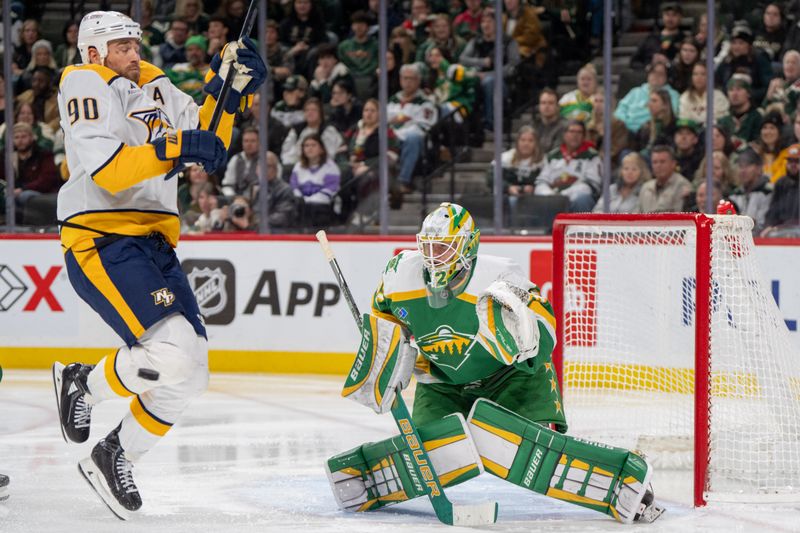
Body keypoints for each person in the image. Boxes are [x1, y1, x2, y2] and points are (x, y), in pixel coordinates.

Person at [325, 202, 664, 524]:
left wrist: (522, 334)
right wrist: (387, 362)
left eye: (443, 247)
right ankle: (365, 481)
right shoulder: (400, 275)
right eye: (427, 246)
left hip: (509, 379)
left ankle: (625, 483)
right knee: (437, 451)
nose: (432, 257)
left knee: (528, 447)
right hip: (442, 383)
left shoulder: (499, 275)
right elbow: (386, 325)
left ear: (467, 247)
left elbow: (545, 330)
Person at [51, 11, 265, 519]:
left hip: (152, 241)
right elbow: (109, 168)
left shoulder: (158, 87)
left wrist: (230, 89)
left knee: (190, 373)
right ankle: (83, 383)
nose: (133, 53)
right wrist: (174, 146)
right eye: (121, 46)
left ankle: (115, 453)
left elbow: (209, 138)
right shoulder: (83, 81)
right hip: (100, 237)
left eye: (135, 44)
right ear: (94, 52)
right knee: (169, 353)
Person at [387, 63, 438, 193]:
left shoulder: (425, 103)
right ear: (400, 80)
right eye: (405, 78)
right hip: (392, 138)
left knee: (413, 137)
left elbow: (424, 127)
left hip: (414, 142)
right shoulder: (392, 101)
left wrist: (399, 128)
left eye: (411, 78)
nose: (408, 82)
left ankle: (403, 181)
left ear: (418, 80)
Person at [535, 119, 602, 212]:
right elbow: (542, 181)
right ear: (564, 134)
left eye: (579, 132)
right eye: (572, 131)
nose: (575, 135)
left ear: (583, 136)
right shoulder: (552, 155)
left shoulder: (591, 156)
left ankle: (581, 226)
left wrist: (564, 195)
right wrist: (549, 195)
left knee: (582, 199)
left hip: (576, 198)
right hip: (552, 199)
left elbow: (592, 185)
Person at [0, 122, 61, 221]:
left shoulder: (44, 154)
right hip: (16, 193)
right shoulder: (7, 157)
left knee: (24, 196)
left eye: (24, 136)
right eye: (16, 137)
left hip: (42, 194)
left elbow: (47, 180)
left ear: (32, 137)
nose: (20, 140)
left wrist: (22, 189)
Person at [715, 23, 774, 106]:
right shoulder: (727, 62)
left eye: (741, 43)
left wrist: (747, 95)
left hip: (755, 104)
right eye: (734, 43)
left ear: (749, 45)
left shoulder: (760, 60)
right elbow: (716, 83)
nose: (736, 47)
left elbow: (768, 87)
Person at [290, 133, 340, 228]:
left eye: (313, 145)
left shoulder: (330, 167)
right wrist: (301, 199)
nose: (309, 148)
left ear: (321, 149)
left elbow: (330, 189)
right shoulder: (298, 166)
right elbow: (294, 186)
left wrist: (309, 200)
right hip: (302, 206)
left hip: (322, 207)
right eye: (306, 146)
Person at [614, 61, 680, 134]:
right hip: (626, 129)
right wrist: (624, 123)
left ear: (666, 78)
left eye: (660, 74)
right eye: (653, 72)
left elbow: (670, 115)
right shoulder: (635, 91)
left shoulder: (673, 95)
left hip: (652, 129)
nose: (656, 76)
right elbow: (620, 109)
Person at [487, 125, 543, 199]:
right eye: (523, 140)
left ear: (536, 143)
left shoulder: (542, 161)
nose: (526, 144)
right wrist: (508, 188)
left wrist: (532, 188)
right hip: (505, 197)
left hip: (533, 199)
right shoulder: (505, 158)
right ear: (517, 142)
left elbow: (545, 182)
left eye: (530, 140)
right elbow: (491, 178)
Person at [730, 148, 773, 234]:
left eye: (747, 166)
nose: (743, 170)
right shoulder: (734, 194)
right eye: (740, 166)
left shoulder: (768, 192)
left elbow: (763, 223)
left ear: (759, 169)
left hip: (761, 241)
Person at [637, 144, 692, 212]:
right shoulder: (645, 187)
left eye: (662, 162)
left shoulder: (682, 186)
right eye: (655, 162)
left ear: (673, 164)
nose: (658, 166)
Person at [630, 2, 685, 69]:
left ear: (680, 17)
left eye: (674, 15)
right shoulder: (650, 38)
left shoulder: (684, 40)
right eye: (667, 14)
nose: (670, 18)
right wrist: (648, 67)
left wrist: (668, 63)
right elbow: (634, 61)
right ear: (662, 16)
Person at [718, 73, 764, 148]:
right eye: (731, 90)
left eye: (739, 89)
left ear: (748, 93)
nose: (734, 94)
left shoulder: (757, 118)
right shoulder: (723, 120)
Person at [763, 143, 800, 233]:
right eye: (790, 161)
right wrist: (769, 225)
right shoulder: (781, 183)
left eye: (797, 161)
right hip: (782, 230)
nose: (793, 165)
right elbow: (773, 209)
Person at [165, 34, 210, 104]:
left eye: (198, 49)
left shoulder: (210, 71)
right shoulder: (177, 68)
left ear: (204, 52)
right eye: (190, 50)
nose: (193, 53)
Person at [222, 126, 260, 199]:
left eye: (252, 141)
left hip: (260, 200)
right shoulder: (235, 159)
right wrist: (235, 198)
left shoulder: (266, 159)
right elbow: (227, 184)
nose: (249, 144)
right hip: (237, 199)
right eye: (246, 141)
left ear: (259, 142)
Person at [533, 88, 567, 154]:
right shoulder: (533, 125)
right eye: (543, 103)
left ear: (557, 106)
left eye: (551, 103)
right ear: (539, 106)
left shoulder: (565, 127)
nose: (546, 106)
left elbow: (556, 152)